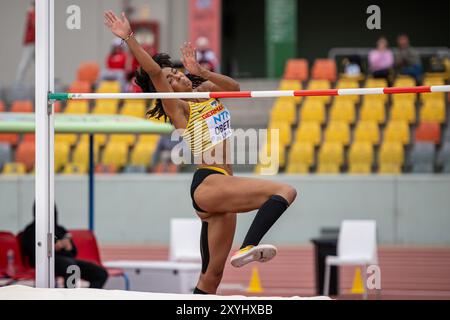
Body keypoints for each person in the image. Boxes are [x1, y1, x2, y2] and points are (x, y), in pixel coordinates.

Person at [104, 11, 297, 295]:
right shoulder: (179, 109)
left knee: (211, 279)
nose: (177, 76)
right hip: (209, 182)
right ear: (166, 90)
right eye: (170, 78)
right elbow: (155, 72)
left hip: (222, 188)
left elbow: (235, 88)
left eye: (177, 71)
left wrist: (202, 72)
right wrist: (129, 38)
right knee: (284, 190)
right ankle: (249, 245)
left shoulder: (206, 91)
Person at [21, 203, 108, 288]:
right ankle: (69, 297)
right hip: (44, 262)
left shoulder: (60, 229)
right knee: (72, 268)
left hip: (67, 261)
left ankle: (88, 297)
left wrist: (69, 247)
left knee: (100, 273)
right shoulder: (31, 230)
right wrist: (52, 247)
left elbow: (73, 253)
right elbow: (33, 253)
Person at [15, 1, 35, 84]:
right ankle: (18, 83)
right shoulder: (31, 12)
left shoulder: (33, 13)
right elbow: (34, 23)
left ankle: (40, 82)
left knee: (40, 64)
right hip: (30, 43)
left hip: (36, 43)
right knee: (24, 63)